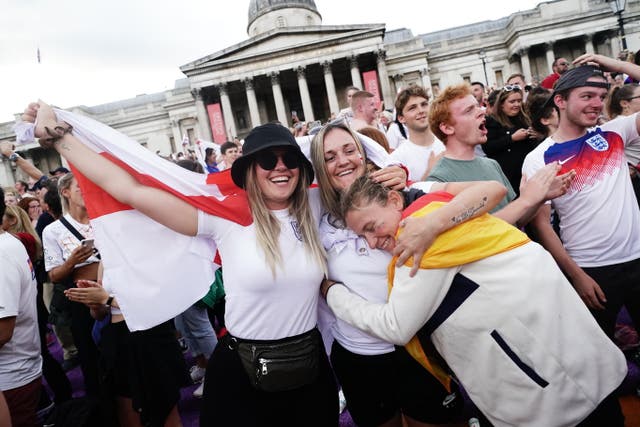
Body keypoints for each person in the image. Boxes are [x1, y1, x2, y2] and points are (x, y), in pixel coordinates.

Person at [27, 101, 338, 427]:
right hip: (243, 369)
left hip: (308, 367)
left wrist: (398, 174)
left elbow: (360, 175)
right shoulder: (226, 218)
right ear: (249, 170)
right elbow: (130, 190)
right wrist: (59, 138)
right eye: (266, 160)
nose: (280, 167)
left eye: (290, 159)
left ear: (302, 168)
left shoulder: (315, 205)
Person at [323, 175, 627, 427]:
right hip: (578, 355)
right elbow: (494, 192)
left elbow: (395, 326)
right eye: (362, 237)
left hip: (545, 388)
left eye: (371, 227)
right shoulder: (447, 211)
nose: (372, 242)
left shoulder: (419, 243)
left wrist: (333, 293)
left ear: (394, 200)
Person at [310, 120, 509, 427]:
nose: (342, 161)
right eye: (330, 157)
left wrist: (434, 222)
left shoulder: (404, 190)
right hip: (357, 356)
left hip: (420, 348)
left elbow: (493, 191)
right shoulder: (314, 212)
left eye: (349, 150)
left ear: (363, 154)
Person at [523, 59, 640, 347]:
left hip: (638, 259)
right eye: (586, 96)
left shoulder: (615, 133)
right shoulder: (540, 157)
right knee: (600, 358)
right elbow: (541, 225)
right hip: (592, 270)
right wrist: (576, 275)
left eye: (601, 97)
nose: (597, 104)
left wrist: (609, 63)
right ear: (560, 101)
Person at [425, 84, 574, 228]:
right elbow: (473, 235)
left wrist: (539, 197)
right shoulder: (438, 180)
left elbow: (517, 221)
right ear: (447, 127)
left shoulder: (491, 164)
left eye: (478, 106)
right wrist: (525, 200)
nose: (481, 111)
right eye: (469, 110)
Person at [0, 187, 43, 427]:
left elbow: (3, 331)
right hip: (17, 371)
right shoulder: (8, 243)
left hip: (11, 377)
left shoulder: (1, 253)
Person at [482, 85, 538, 196]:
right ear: (502, 104)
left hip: (527, 172)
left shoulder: (525, 118)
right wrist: (511, 138)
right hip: (508, 176)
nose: (517, 104)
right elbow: (488, 147)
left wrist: (537, 135)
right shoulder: (492, 121)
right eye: (512, 102)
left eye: (519, 101)